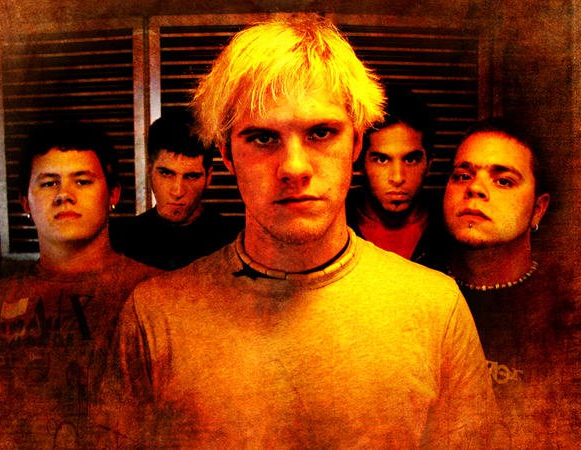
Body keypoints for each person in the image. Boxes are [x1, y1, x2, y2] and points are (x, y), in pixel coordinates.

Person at [95, 14, 497, 447]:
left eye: (321, 133)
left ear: (356, 144)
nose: (294, 168)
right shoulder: (156, 315)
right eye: (262, 138)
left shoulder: (435, 308)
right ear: (227, 155)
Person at [0, 122, 160, 448]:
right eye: (49, 183)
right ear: (25, 203)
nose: (64, 195)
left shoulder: (160, 295)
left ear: (113, 194)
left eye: (82, 181)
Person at [443, 118, 577, 447]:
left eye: (503, 181)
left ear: (538, 210)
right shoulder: (412, 293)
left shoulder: (567, 315)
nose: (474, 189)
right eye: (462, 176)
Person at [110, 111, 241, 270]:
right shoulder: (121, 241)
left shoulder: (236, 242)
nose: (178, 191)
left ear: (208, 177)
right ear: (149, 171)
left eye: (191, 176)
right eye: (166, 173)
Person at [347, 86, 446, 268]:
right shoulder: (336, 223)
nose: (398, 177)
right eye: (382, 160)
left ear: (429, 164)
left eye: (410, 160)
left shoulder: (450, 224)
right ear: (360, 163)